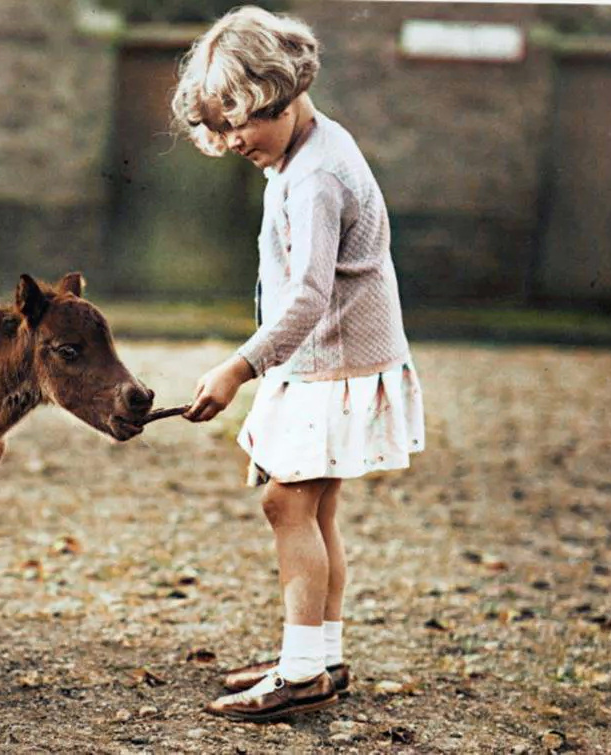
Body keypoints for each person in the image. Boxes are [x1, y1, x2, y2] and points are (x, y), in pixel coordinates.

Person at [170, 6, 425, 723]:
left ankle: (303, 670)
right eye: (218, 127)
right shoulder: (307, 149)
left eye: (237, 121)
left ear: (276, 91)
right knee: (315, 507)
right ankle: (318, 652)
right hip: (335, 360)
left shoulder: (315, 175)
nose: (230, 141)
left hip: (332, 364)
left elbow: (311, 293)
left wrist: (239, 368)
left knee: (286, 503)